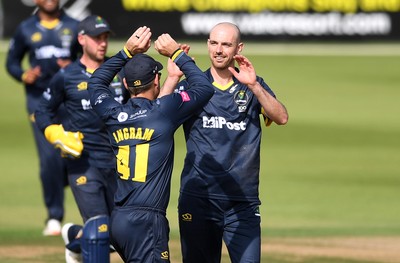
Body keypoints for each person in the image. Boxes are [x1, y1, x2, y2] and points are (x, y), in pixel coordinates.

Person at [88, 26, 215, 262]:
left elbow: (96, 83)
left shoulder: (113, 113)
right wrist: (177, 54)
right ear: (157, 80)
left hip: (119, 220)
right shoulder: (164, 111)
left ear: (125, 84)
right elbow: (204, 88)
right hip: (146, 221)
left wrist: (126, 52)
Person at [175, 22, 289, 263]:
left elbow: (281, 117)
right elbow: (158, 121)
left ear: (239, 48)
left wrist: (255, 86)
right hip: (199, 199)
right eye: (214, 43)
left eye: (226, 44)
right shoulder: (192, 87)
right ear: (207, 44)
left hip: (243, 202)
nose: (218, 50)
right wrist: (173, 78)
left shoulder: (251, 86)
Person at [35, 15, 128, 263]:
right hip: (83, 163)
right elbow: (43, 111)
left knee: (119, 235)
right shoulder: (66, 76)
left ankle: (75, 239)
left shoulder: (119, 72)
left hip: (119, 163)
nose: (103, 43)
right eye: (97, 38)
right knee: (99, 228)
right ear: (81, 39)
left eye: (106, 37)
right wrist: (54, 132)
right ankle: (84, 239)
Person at [5, 0, 81, 236]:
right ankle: (54, 217)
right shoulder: (26, 28)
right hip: (39, 103)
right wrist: (23, 75)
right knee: (50, 160)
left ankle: (93, 212)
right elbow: (11, 62)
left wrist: (75, 65)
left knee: (77, 154)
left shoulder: (75, 25)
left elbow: (88, 57)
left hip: (70, 100)